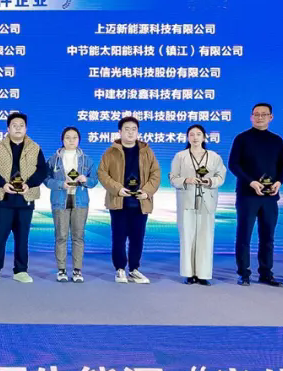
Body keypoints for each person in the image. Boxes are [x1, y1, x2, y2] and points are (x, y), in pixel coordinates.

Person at [0, 112, 49, 283]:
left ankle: (20, 271)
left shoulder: (35, 148)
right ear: (8, 128)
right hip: (3, 199)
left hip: (25, 199)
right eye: (14, 125)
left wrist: (30, 184)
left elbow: (42, 170)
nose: (18, 128)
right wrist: (2, 184)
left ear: (26, 128)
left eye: (21, 126)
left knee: (22, 238)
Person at [228, 102, 283, 287]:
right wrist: (251, 182)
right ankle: (243, 273)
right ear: (251, 117)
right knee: (244, 235)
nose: (260, 117)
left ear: (271, 117)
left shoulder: (277, 140)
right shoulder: (242, 138)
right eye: (256, 114)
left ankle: (266, 273)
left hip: (270, 197)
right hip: (247, 195)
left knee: (268, 236)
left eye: (264, 114)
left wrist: (279, 182)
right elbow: (233, 165)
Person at [97, 116, 161, 284]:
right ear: (120, 131)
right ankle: (119, 269)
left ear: (138, 132)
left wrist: (147, 191)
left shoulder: (147, 151)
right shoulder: (110, 152)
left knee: (137, 238)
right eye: (127, 129)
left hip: (140, 202)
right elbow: (102, 174)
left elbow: (156, 173)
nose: (130, 132)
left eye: (134, 129)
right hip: (119, 202)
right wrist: (118, 189)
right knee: (118, 238)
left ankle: (134, 269)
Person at [169, 124, 226, 285]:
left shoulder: (214, 156)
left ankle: (203, 274)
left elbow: (221, 176)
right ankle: (188, 273)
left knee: (205, 237)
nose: (195, 137)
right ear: (188, 138)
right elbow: (173, 178)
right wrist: (186, 180)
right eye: (192, 134)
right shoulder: (180, 156)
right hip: (186, 201)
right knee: (187, 236)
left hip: (207, 200)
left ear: (204, 137)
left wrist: (210, 181)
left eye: (198, 134)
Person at [45, 126, 99, 283]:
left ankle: (77, 270)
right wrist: (61, 184)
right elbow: (46, 179)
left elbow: (94, 180)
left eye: (74, 137)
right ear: (62, 140)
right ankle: (61, 270)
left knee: (78, 236)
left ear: (79, 140)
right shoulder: (53, 159)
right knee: (61, 236)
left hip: (80, 200)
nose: (71, 140)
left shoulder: (87, 160)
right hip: (60, 200)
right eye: (67, 137)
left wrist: (85, 180)